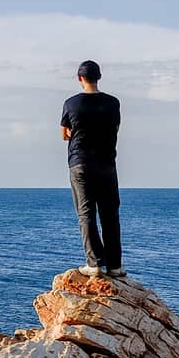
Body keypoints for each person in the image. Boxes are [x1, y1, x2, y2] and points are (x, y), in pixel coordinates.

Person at [60, 60, 124, 278]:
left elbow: (64, 133)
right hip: (107, 164)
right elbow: (115, 127)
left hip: (80, 163)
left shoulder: (71, 104)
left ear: (80, 78)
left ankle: (94, 263)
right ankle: (114, 266)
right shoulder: (113, 103)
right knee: (110, 214)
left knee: (86, 213)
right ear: (99, 77)